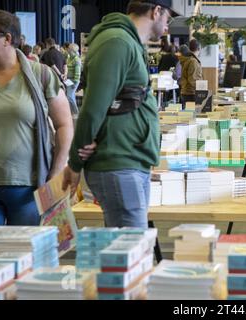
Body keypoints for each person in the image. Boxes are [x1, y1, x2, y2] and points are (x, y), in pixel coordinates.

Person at [62, 0, 179, 229]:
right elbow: (93, 107)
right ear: (156, 11)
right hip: (118, 162)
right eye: (168, 18)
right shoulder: (117, 42)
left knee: (128, 251)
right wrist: (75, 163)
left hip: (130, 159)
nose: (168, 26)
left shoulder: (126, 42)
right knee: (130, 251)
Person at [0, 10, 74, 225]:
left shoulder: (41, 74)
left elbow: (65, 124)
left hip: (29, 188)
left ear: (7, 39)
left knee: (29, 254)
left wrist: (56, 172)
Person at [179, 39, 203, 109]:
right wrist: (202, 90)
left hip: (186, 91)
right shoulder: (193, 61)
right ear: (199, 48)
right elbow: (193, 79)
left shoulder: (187, 59)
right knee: (192, 116)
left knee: (187, 116)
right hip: (191, 93)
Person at [66, 43, 82, 115]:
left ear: (72, 50)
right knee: (71, 96)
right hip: (68, 79)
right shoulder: (69, 58)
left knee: (69, 96)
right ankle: (73, 112)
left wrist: (75, 82)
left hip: (74, 80)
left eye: (69, 48)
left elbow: (77, 72)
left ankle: (75, 112)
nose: (67, 49)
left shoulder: (76, 59)